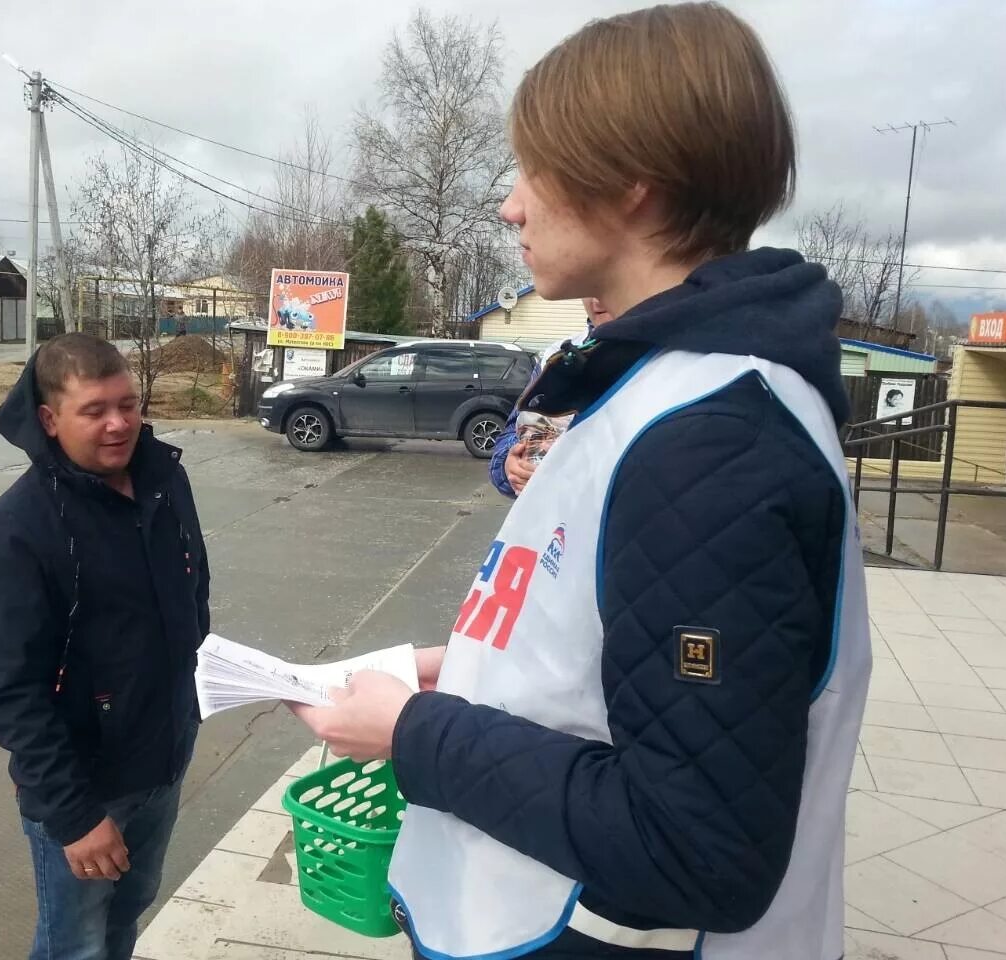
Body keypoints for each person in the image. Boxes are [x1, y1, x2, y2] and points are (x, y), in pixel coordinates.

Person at [290, 5, 870, 960]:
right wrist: (479, 666)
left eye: (534, 168)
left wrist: (417, 730)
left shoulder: (712, 437)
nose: (512, 204)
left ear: (634, 184)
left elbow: (695, 851)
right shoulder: (667, 389)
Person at [0, 332, 210, 960]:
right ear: (49, 420)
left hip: (162, 757)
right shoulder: (17, 531)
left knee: (126, 916)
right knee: (73, 944)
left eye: (127, 404)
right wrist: (74, 817)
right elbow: (10, 695)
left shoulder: (163, 481)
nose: (117, 423)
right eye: (94, 410)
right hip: (86, 785)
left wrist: (194, 700)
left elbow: (192, 591)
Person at [490, 297, 613, 497]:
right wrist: (510, 466)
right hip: (550, 518)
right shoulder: (557, 355)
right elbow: (514, 429)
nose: (597, 301)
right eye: (589, 288)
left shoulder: (664, 360)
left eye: (608, 285)